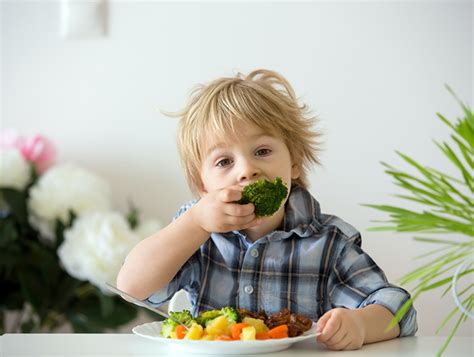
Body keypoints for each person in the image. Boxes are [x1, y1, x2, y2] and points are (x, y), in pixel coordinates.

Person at [117, 69, 417, 350]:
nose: (247, 170)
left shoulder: (329, 242)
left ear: (294, 161)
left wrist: (361, 324)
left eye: (262, 151)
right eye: (224, 161)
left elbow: (399, 307)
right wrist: (194, 222)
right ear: (202, 185)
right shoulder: (197, 233)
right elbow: (132, 286)